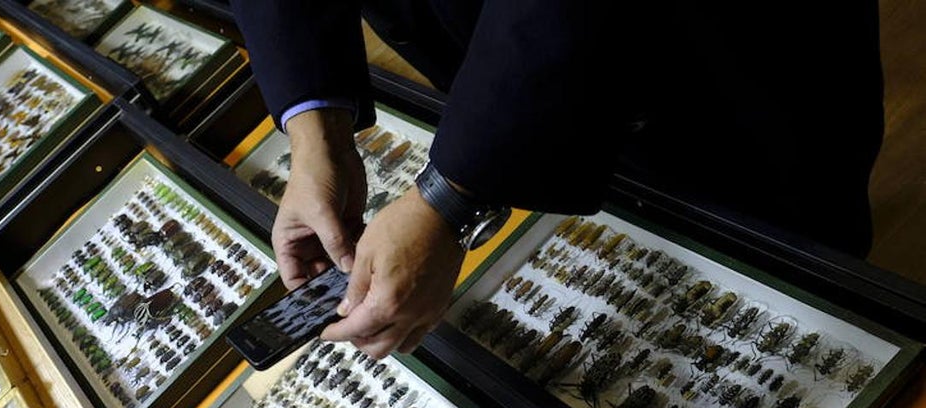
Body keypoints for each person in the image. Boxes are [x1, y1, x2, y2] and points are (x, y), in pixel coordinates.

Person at [229, 1, 885, 358]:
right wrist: (315, 128)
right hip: (511, 63)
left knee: (800, 272)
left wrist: (451, 197)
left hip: (724, 58)